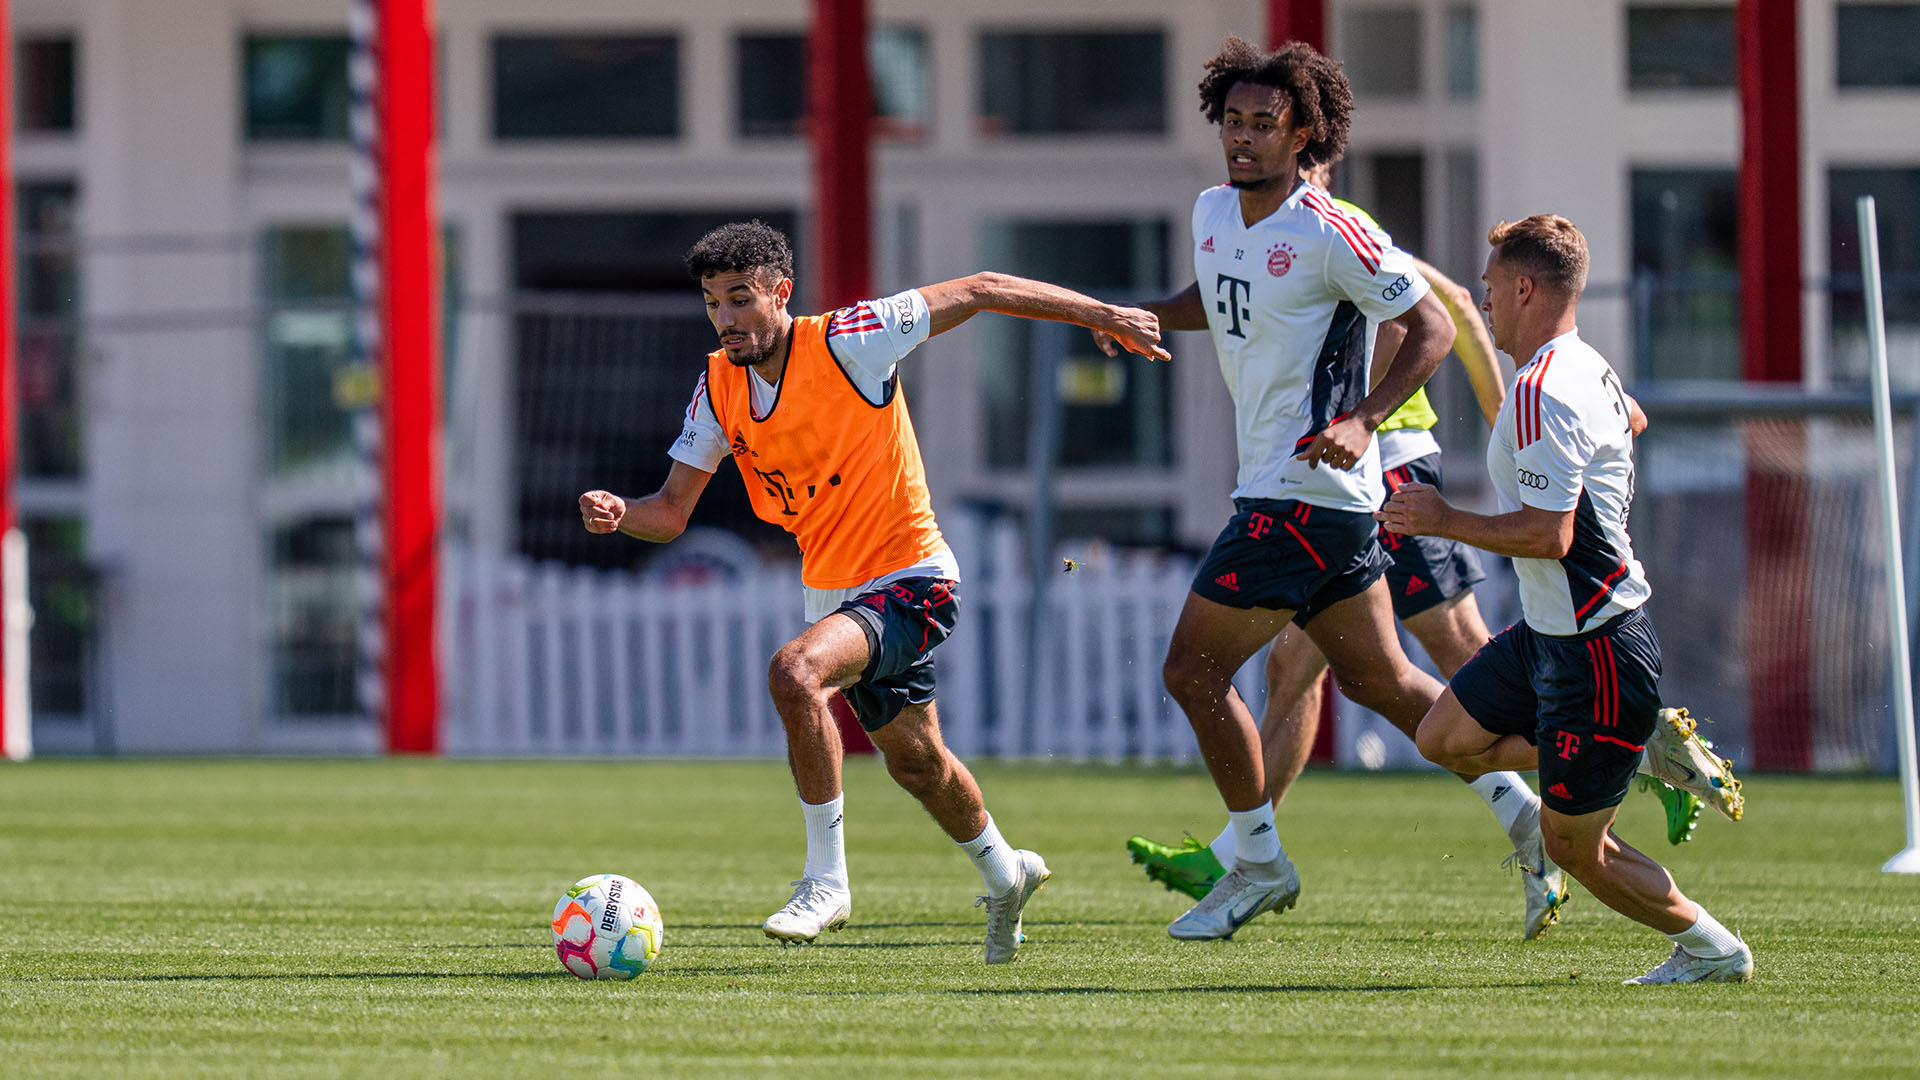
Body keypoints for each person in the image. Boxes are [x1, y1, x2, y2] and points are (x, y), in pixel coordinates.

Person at [580, 221, 1168, 964]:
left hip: (913, 577)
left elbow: (982, 290)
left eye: (740, 300)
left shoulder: (850, 338)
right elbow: (669, 513)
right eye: (712, 303)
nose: (726, 319)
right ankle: (1006, 869)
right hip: (836, 597)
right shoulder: (717, 385)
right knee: (919, 764)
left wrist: (1104, 315)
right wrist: (620, 513)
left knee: (795, 674)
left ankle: (826, 882)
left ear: (780, 294)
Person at [1093, 36, 1556, 943]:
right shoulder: (1211, 210)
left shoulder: (1331, 226)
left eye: (1265, 124)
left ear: (1304, 132)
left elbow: (1429, 321)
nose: (1244, 138)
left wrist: (1365, 419)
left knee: (1193, 671)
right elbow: (1221, 295)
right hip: (1305, 502)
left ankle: (1257, 862)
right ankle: (1525, 809)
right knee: (1384, 682)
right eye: (1233, 121)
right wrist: (1149, 316)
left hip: (1300, 491)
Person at [1379, 214, 1752, 983]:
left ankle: (1714, 948)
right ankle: (1637, 750)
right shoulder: (1580, 365)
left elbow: (1549, 537)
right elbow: (1632, 421)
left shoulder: (1541, 390)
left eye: (1488, 290)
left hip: (1598, 648)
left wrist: (1444, 519)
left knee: (1574, 850)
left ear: (1524, 287)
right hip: (1550, 635)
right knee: (1443, 736)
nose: (1482, 305)